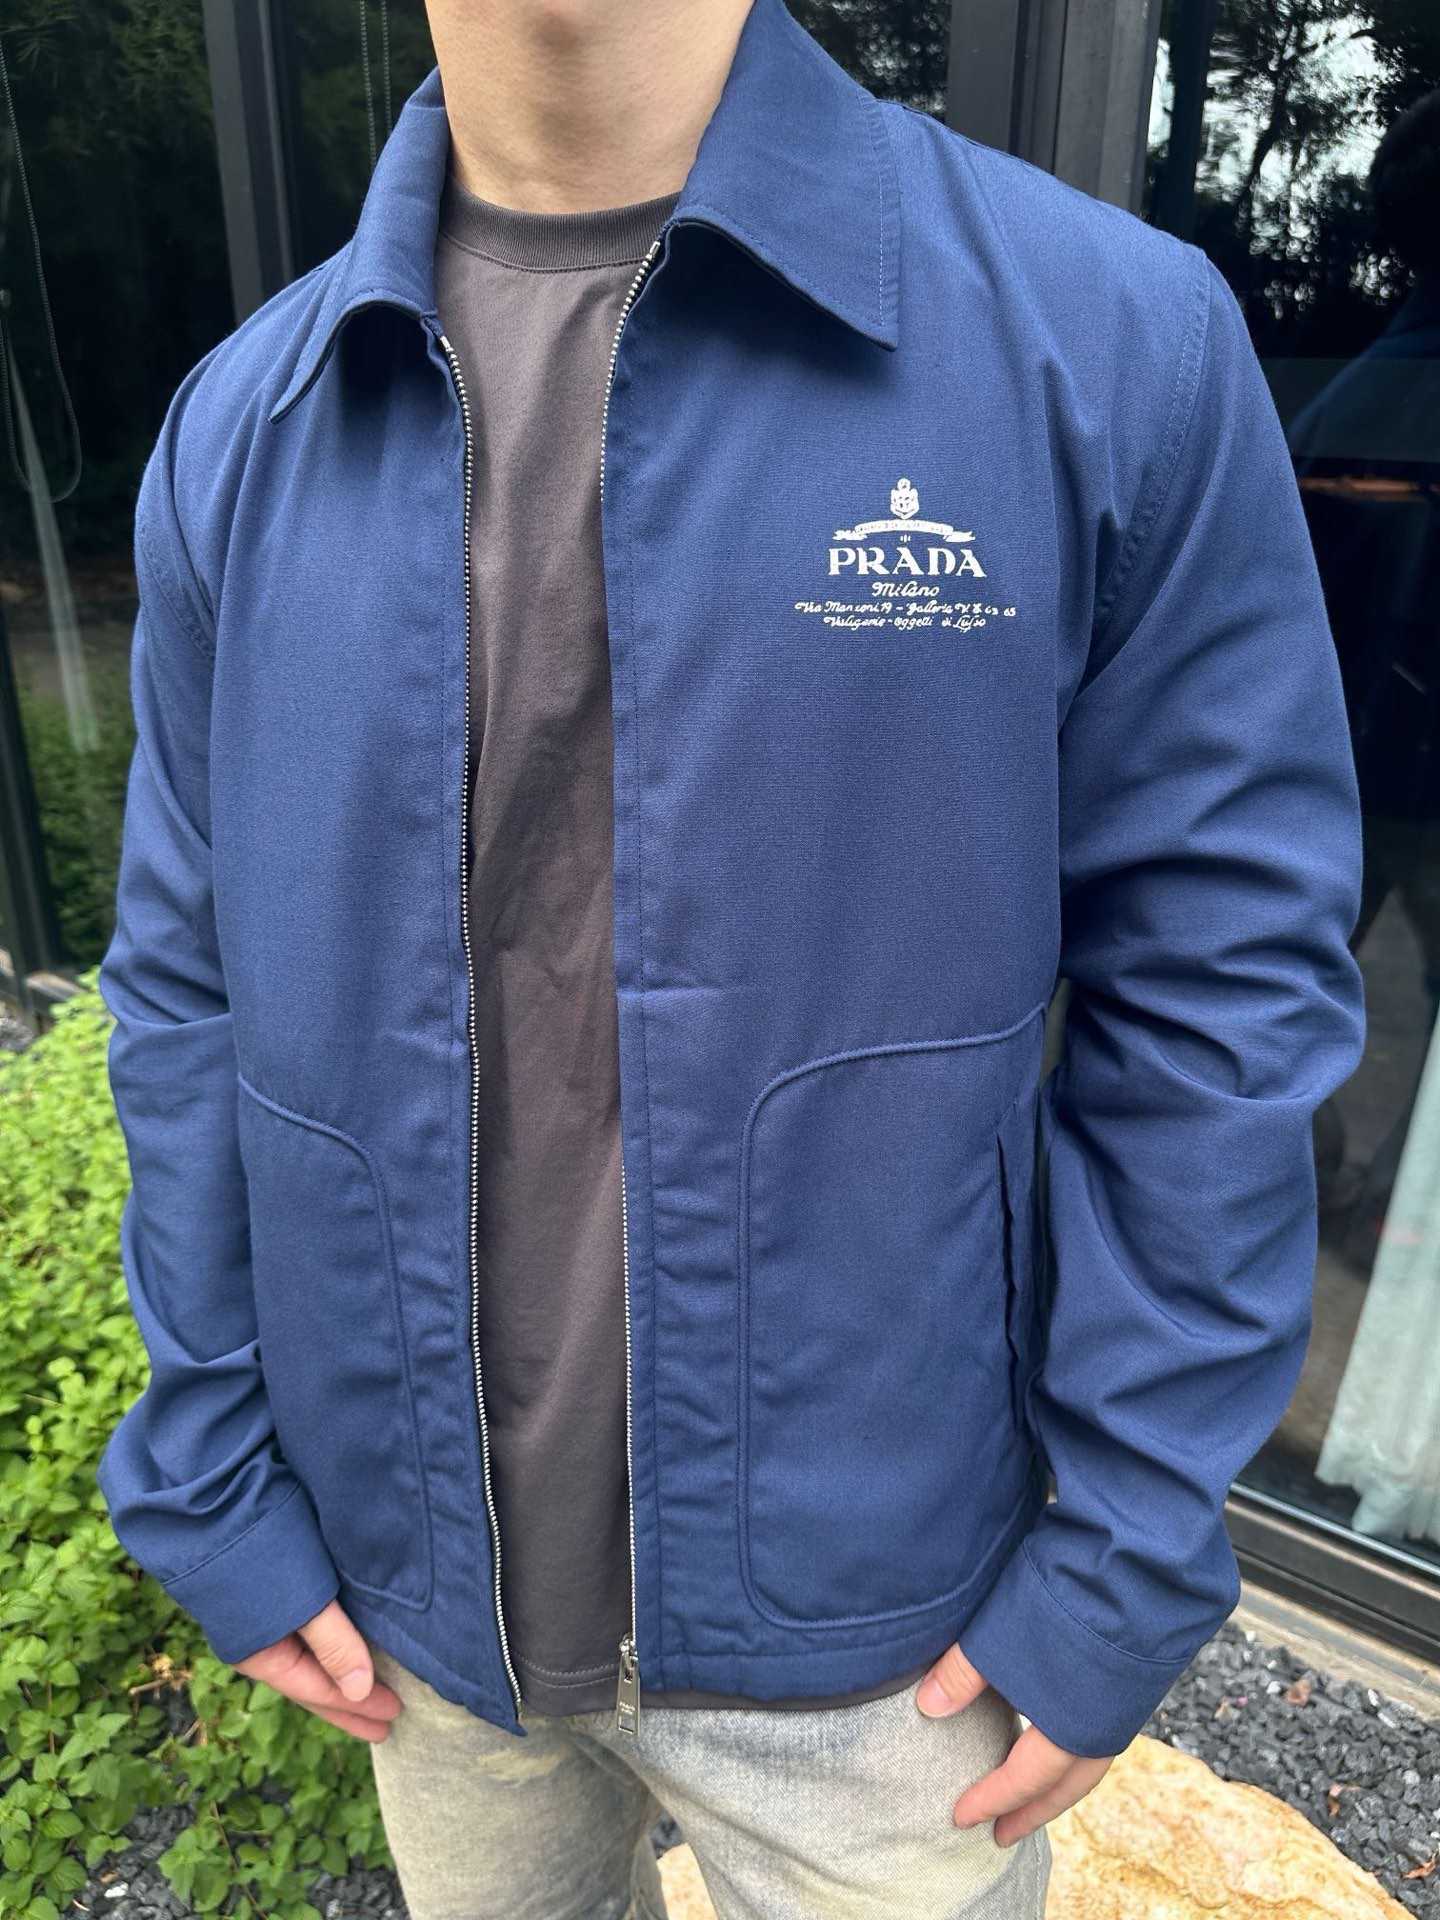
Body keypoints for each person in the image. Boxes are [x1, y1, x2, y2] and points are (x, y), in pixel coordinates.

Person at [93, 0, 1367, 1914]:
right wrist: (209, 1464)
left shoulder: (1107, 341)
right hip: (412, 1610)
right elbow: (186, 990)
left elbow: (1223, 990)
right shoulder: (245, 423)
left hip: (886, 1656)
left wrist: (1123, 1553)